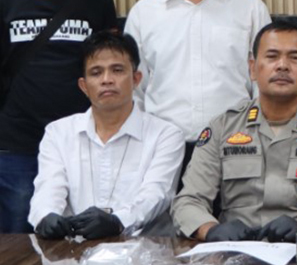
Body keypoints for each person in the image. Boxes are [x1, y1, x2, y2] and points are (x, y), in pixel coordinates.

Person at [172, 21, 297, 242]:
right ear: (252, 69)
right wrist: (211, 230)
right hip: (234, 251)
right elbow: (189, 200)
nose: (282, 66)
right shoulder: (222, 128)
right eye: (272, 56)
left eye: (294, 58)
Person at [0, 0, 118, 233]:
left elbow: (111, 71)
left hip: (81, 146)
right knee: (17, 247)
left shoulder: (96, 0)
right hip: (17, 148)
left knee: (81, 243)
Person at [124, 0, 271, 167]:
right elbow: (133, 90)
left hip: (237, 149)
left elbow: (263, 86)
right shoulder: (143, 14)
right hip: (162, 154)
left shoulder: (250, 8)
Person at [28, 32, 184, 239]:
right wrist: (46, 216)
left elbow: (156, 194)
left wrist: (118, 221)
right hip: (74, 249)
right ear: (84, 86)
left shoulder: (166, 135)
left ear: (136, 79)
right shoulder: (58, 133)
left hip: (143, 249)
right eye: (96, 73)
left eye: (117, 70)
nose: (107, 80)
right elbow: (48, 188)